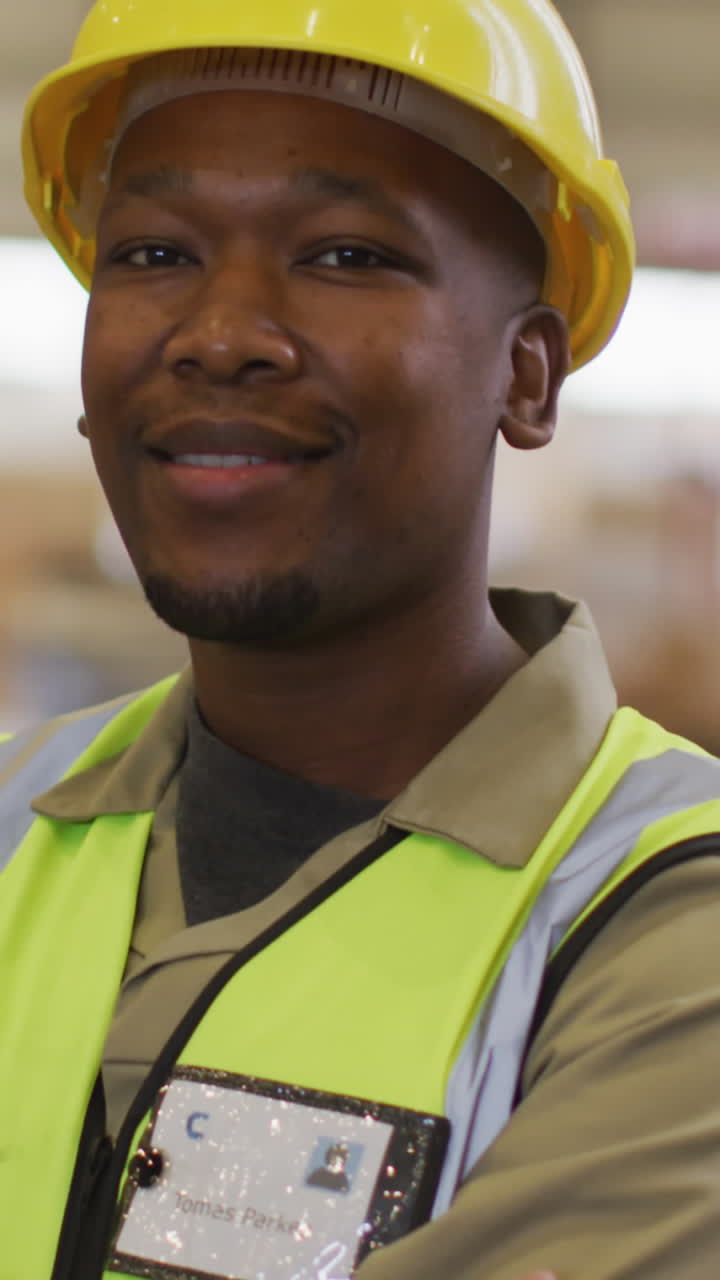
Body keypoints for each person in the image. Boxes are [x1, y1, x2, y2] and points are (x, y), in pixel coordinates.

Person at [3, 0, 720, 1277]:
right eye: (155, 252)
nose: (218, 334)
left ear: (528, 376)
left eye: (344, 256)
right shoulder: (15, 821)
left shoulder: (668, 933)